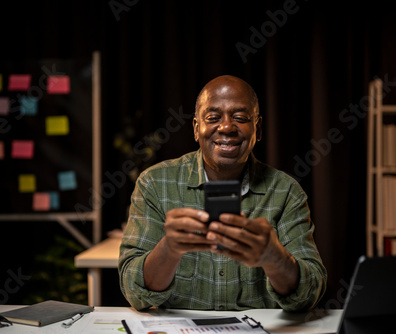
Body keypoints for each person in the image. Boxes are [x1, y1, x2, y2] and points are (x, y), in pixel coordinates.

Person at [118, 75, 327, 312]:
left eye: (240, 118)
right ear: (197, 129)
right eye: (213, 118)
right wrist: (170, 248)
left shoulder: (286, 191)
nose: (227, 127)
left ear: (257, 129)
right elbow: (133, 291)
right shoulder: (155, 183)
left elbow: (311, 293)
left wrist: (274, 258)